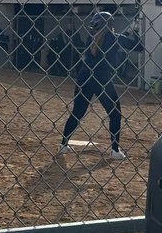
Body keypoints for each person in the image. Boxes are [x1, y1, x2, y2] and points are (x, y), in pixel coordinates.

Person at [59, 11, 143, 161]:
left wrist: (127, 32)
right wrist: (135, 31)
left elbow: (109, 40)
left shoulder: (91, 38)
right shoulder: (115, 38)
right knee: (115, 114)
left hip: (84, 77)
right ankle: (115, 150)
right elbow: (138, 47)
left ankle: (63, 144)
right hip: (102, 79)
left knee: (77, 112)